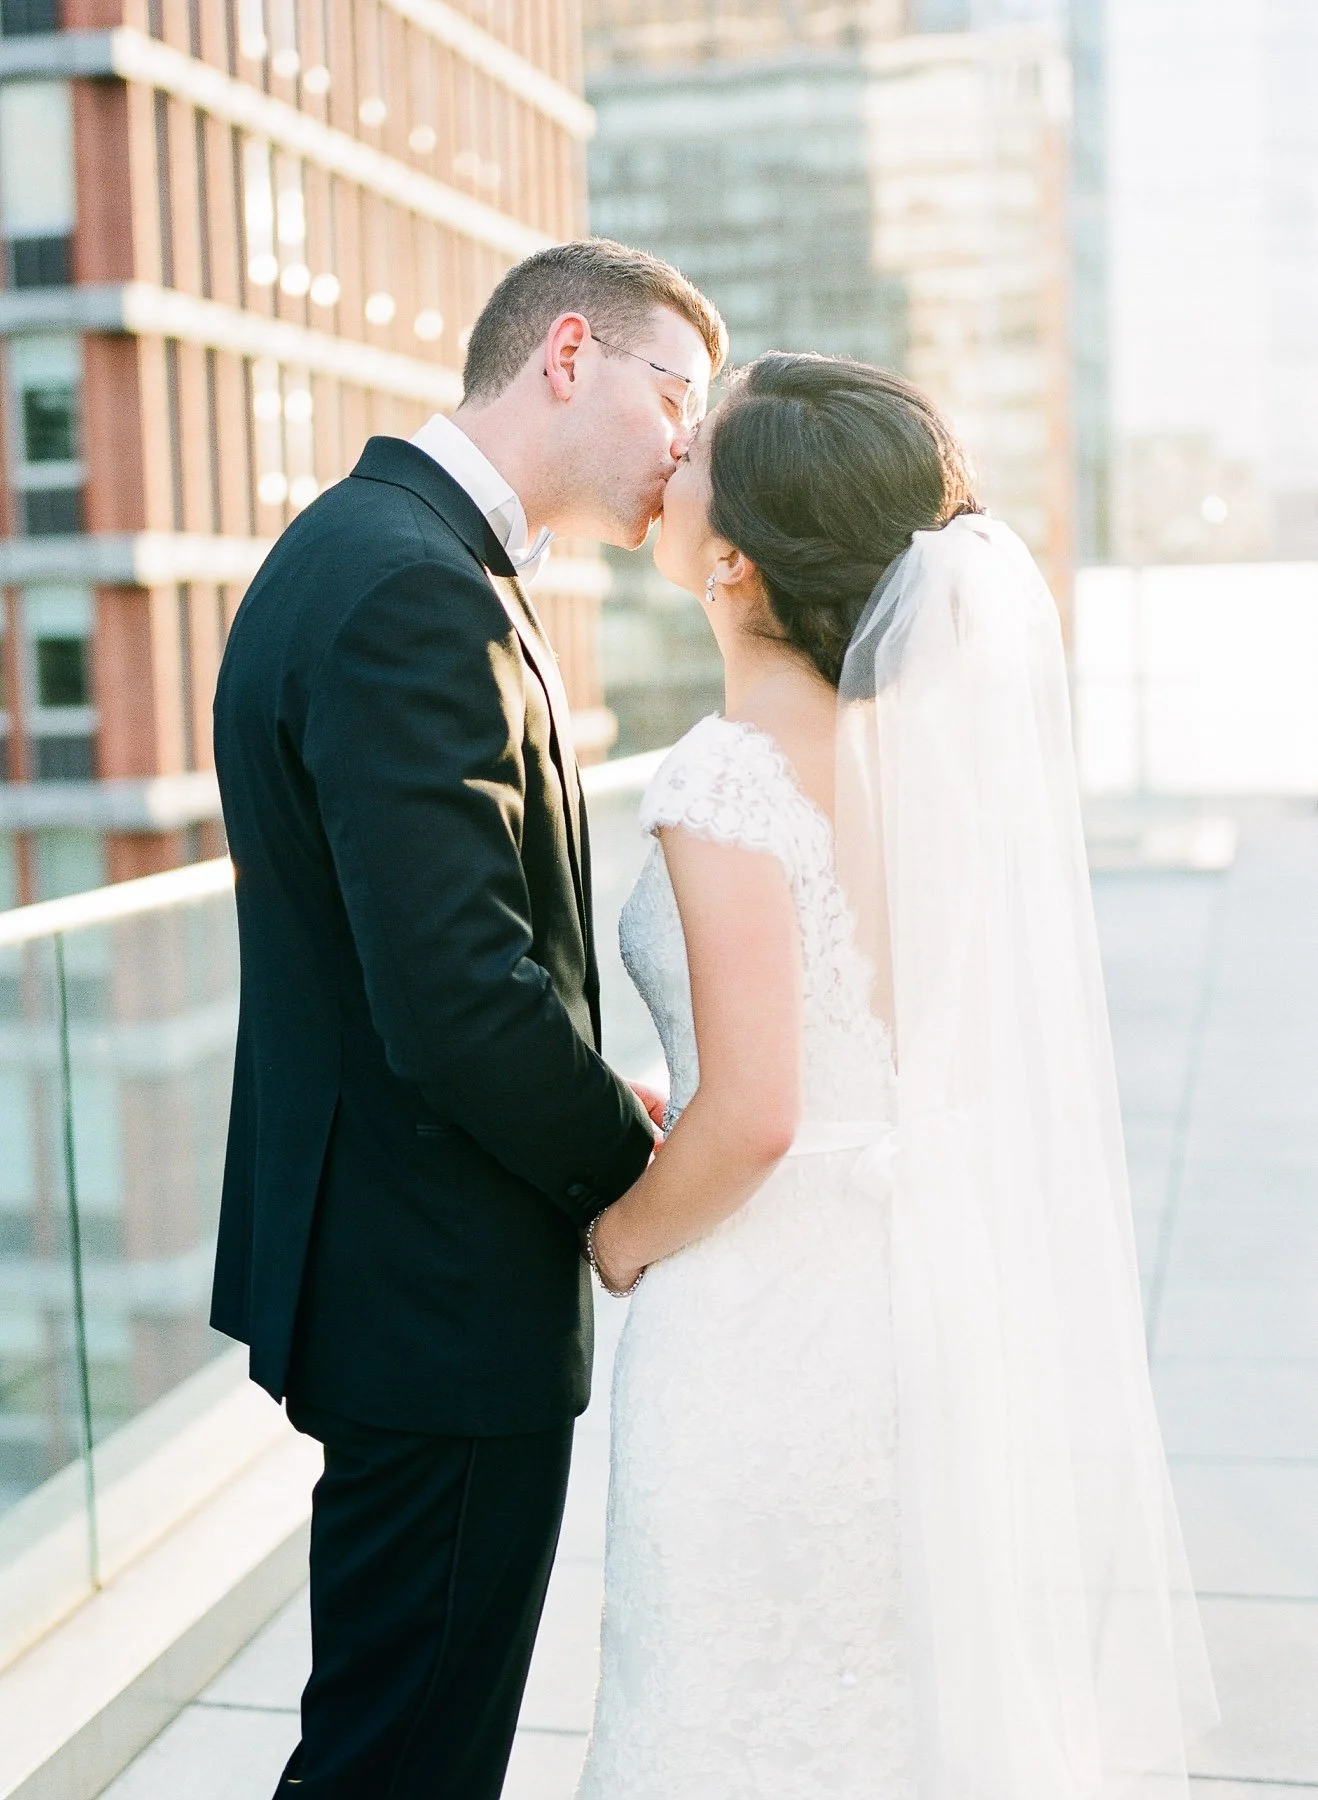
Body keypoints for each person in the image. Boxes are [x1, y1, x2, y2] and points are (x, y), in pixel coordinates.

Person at [579, 353, 1218, 1799]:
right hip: (916, 1299)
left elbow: (753, 1115)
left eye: (695, 455)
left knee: (721, 1691)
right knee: (882, 1691)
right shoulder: (923, 772)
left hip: (759, 1317)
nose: (668, 457)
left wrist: (619, 1235)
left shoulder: (723, 775)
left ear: (731, 558)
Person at [209, 239, 726, 1799]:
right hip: (434, 1294)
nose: (685, 448)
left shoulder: (381, 552)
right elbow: (456, 996)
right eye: (673, 397)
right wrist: (627, 1177)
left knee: (391, 1737)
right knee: (401, 1762)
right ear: (566, 353)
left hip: (396, 1271)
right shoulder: (410, 591)